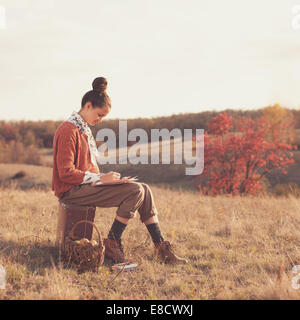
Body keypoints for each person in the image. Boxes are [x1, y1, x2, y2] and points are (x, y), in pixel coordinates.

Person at [52, 77, 188, 265]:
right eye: (99, 115)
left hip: (85, 186)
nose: (99, 120)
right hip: (71, 191)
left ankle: (160, 247)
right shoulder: (69, 130)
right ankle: (112, 241)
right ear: (88, 106)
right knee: (135, 190)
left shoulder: (83, 128)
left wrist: (107, 180)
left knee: (144, 189)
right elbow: (65, 173)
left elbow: (86, 168)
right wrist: (101, 178)